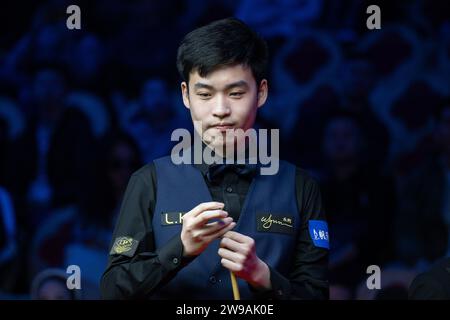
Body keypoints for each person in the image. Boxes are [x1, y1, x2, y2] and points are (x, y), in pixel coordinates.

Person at [100, 17, 329, 300]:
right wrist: (179, 248)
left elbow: (317, 295)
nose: (220, 109)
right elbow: (113, 289)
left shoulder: (301, 187)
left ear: (262, 93)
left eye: (235, 93)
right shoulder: (149, 181)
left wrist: (263, 276)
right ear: (186, 96)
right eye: (205, 94)